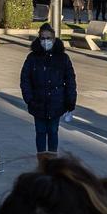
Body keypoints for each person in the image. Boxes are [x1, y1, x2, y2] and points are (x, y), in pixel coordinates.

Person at [20, 23, 78, 152]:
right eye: (43, 38)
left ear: (54, 39)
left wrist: (70, 101)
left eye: (49, 38)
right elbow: (25, 79)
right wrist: (29, 99)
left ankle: (52, 158)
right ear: (39, 39)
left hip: (56, 102)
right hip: (38, 102)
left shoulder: (63, 58)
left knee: (53, 131)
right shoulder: (32, 58)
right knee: (40, 132)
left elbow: (70, 81)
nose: (46, 41)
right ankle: (42, 159)